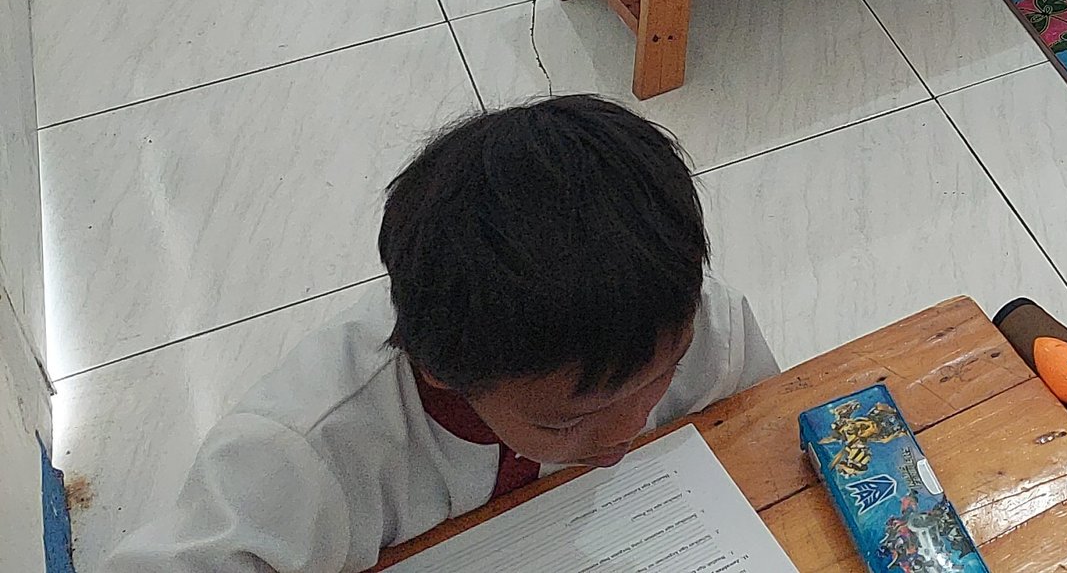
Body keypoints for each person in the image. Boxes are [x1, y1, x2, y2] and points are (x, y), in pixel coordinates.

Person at [104, 96, 778, 573]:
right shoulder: (304, 451)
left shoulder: (689, 318)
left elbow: (767, 435)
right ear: (442, 370)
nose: (624, 434)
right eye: (567, 421)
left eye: (662, 377)